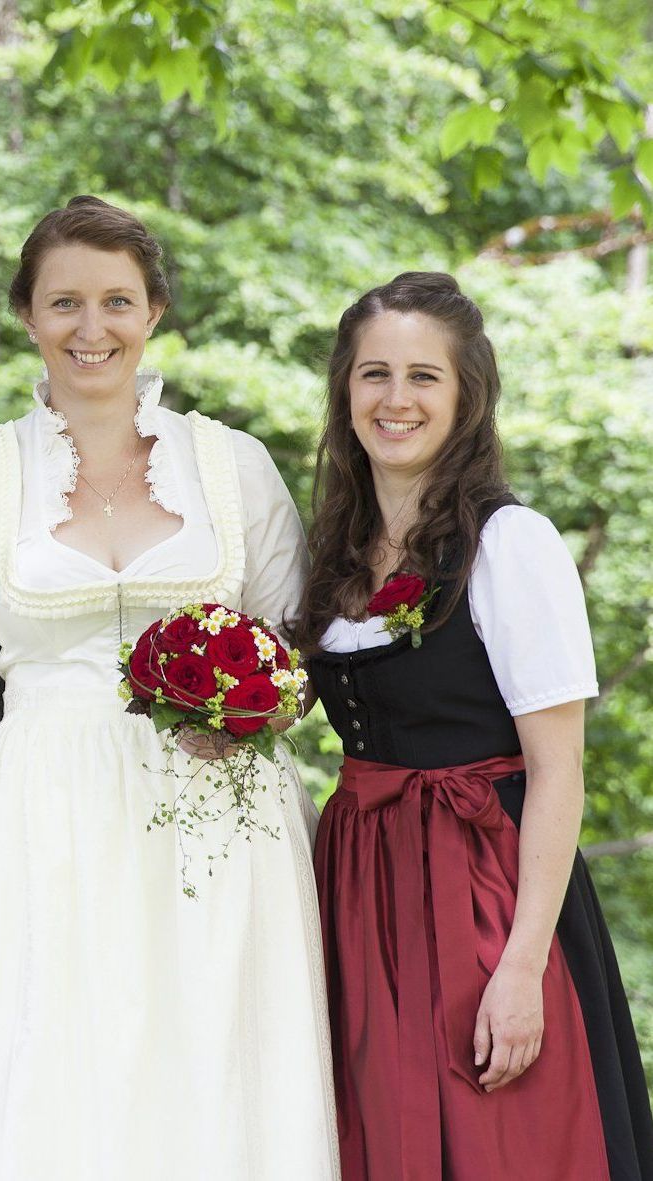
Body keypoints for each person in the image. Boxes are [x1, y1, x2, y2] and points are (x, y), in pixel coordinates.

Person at [0, 195, 338, 1178]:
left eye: (116, 301)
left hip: (223, 822)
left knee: (225, 1084)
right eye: (64, 303)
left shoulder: (233, 467)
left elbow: (296, 665)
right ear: (26, 316)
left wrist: (248, 714)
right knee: (54, 1089)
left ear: (154, 310)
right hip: (44, 821)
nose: (91, 328)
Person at [295, 271, 653, 1180]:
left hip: (484, 887)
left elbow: (558, 770)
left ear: (466, 395)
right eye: (374, 373)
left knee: (505, 1143)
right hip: (363, 889)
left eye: (425, 376)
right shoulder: (333, 554)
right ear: (345, 390)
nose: (396, 398)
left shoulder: (510, 544)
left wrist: (524, 967)